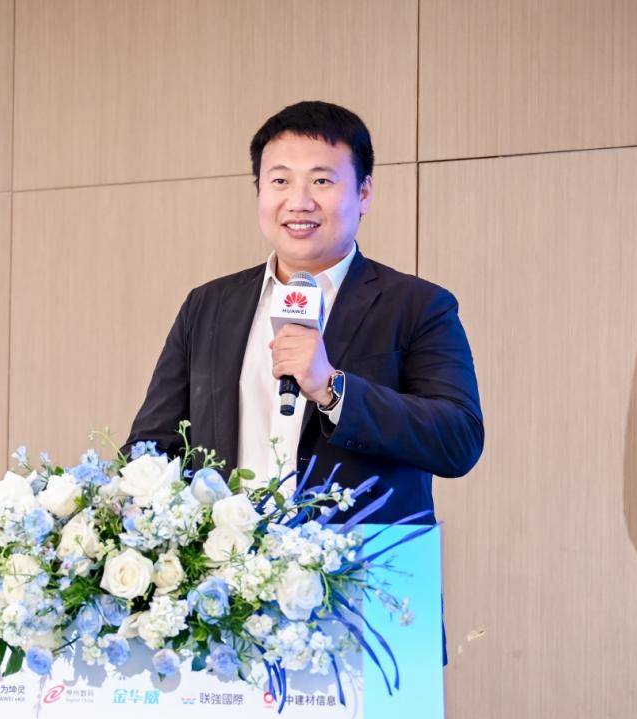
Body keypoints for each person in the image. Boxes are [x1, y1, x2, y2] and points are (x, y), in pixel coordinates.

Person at [126, 100, 483, 526]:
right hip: (227, 563)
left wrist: (333, 389)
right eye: (280, 180)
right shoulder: (208, 306)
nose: (299, 202)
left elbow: (458, 440)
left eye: (321, 181)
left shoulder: (417, 305)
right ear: (259, 190)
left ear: (363, 193)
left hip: (361, 562)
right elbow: (153, 447)